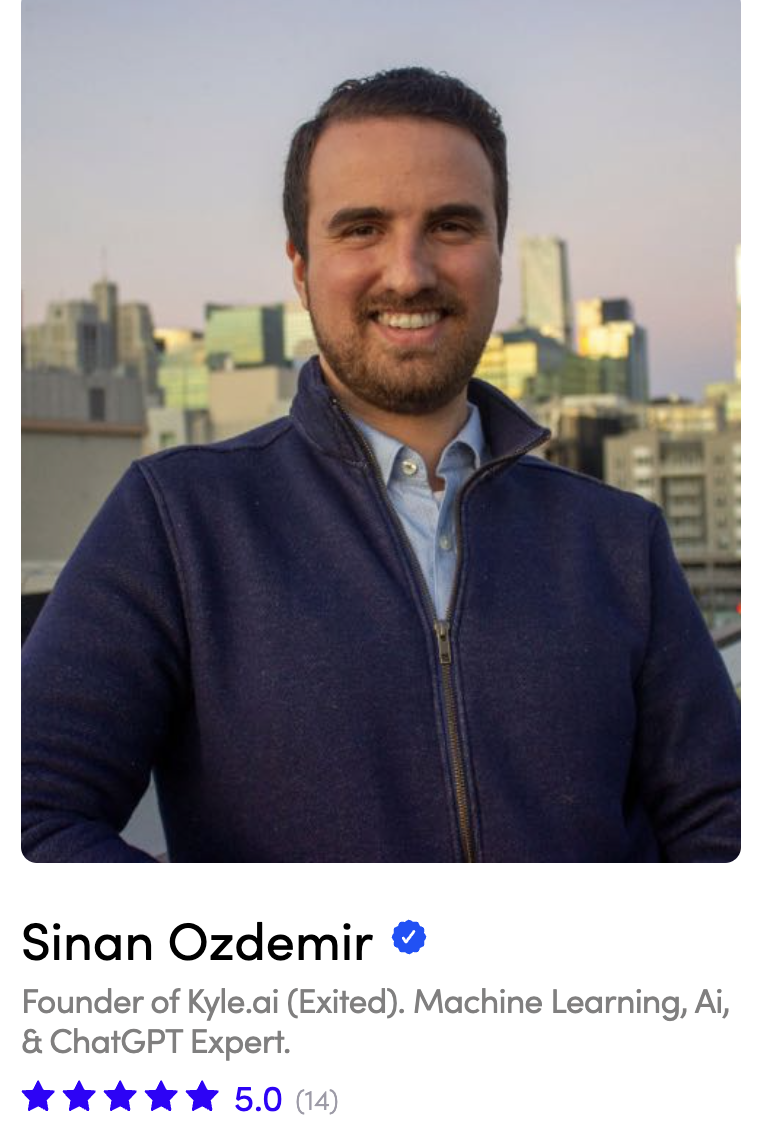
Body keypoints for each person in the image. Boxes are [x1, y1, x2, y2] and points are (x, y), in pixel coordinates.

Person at [22, 67, 740, 863]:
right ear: (301, 267)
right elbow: (30, 818)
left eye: (452, 226)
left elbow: (728, 832)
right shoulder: (178, 521)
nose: (408, 272)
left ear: (498, 256)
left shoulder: (620, 540)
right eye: (362, 228)